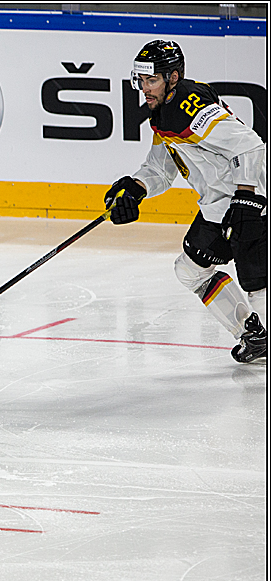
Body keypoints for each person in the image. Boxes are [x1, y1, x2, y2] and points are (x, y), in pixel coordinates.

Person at [105, 39, 267, 363]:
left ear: (173, 78)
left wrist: (248, 198)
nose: (144, 88)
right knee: (190, 271)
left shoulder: (189, 107)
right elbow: (160, 169)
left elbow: (251, 145)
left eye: (152, 80)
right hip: (218, 206)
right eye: (142, 80)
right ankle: (254, 334)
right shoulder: (163, 113)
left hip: (251, 197)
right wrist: (135, 189)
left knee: (258, 284)